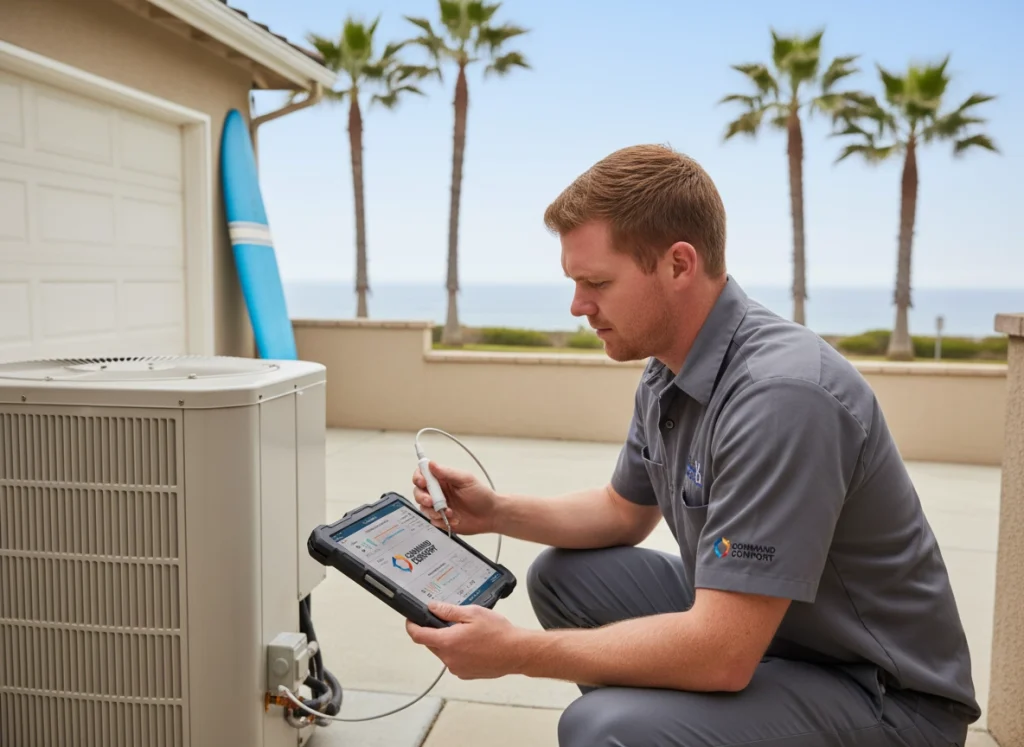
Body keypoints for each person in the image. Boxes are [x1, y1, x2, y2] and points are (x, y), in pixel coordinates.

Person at [405, 144, 980, 747]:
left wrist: (517, 652)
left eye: (597, 282)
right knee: (563, 576)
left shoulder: (781, 398)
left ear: (680, 265)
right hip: (777, 635)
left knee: (602, 731)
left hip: (883, 697)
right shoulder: (669, 370)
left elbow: (723, 652)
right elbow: (622, 512)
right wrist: (495, 510)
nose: (578, 307)